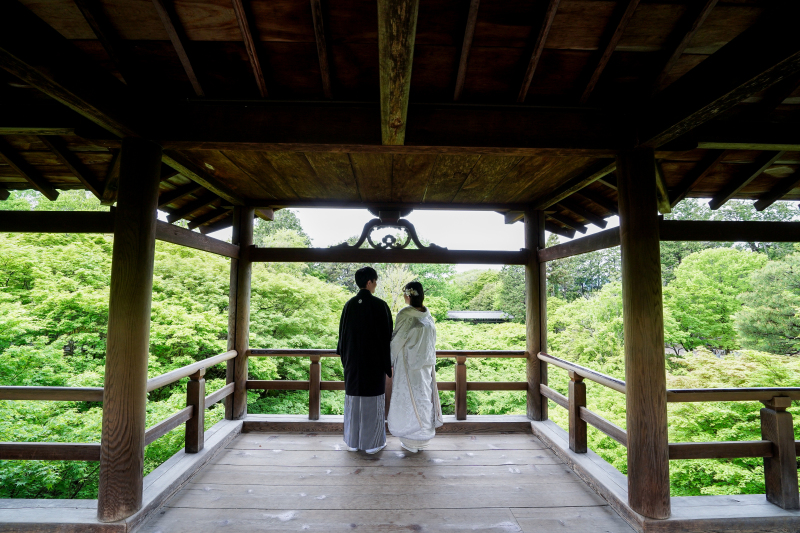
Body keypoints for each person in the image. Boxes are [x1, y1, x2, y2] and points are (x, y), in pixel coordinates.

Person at [336, 266, 393, 454]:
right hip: (374, 364)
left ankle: (352, 442)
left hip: (353, 363)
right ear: (369, 282)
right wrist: (387, 363)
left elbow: (342, 337)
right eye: (375, 281)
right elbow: (387, 337)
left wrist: (347, 360)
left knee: (353, 402)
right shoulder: (380, 305)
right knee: (373, 402)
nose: (376, 285)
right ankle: (373, 444)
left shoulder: (349, 305)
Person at [387, 281, 443, 453]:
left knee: (410, 400)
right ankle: (422, 437)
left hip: (408, 366)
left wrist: (388, 360)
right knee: (424, 399)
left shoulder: (405, 314)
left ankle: (411, 438)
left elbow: (397, 340)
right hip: (425, 365)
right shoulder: (427, 315)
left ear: (408, 295)